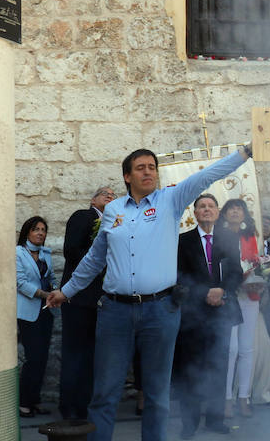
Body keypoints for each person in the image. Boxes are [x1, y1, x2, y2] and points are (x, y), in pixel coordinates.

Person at [46, 146, 250, 441]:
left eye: (152, 167)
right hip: (115, 312)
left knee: (156, 394)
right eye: (140, 167)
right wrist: (66, 291)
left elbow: (207, 176)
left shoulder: (171, 199)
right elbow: (95, 258)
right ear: (127, 176)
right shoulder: (114, 210)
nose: (148, 172)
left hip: (160, 310)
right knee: (105, 392)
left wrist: (245, 153)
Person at [176, 193, 242, 438]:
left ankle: (215, 420)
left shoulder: (228, 237)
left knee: (219, 366)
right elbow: (179, 276)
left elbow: (235, 271)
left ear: (217, 212)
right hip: (193, 316)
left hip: (221, 313)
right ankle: (189, 424)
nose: (206, 209)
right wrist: (206, 292)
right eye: (201, 206)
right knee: (191, 370)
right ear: (195, 213)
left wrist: (222, 289)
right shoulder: (183, 241)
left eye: (210, 206)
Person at [59, 187, 115, 420]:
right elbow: (71, 251)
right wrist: (100, 258)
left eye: (114, 195)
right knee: (75, 353)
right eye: (105, 194)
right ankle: (70, 407)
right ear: (93, 199)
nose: (110, 197)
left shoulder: (116, 223)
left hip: (101, 300)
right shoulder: (84, 216)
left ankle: (85, 404)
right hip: (80, 297)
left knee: (93, 355)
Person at [221, 198, 264, 417]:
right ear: (225, 214)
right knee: (231, 349)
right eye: (231, 208)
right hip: (229, 295)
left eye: (239, 208)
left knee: (247, 349)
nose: (236, 211)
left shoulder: (251, 236)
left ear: (245, 213)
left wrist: (263, 275)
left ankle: (243, 398)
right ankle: (226, 399)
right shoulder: (218, 236)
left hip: (249, 294)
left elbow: (259, 264)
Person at [16, 216, 55, 418]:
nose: (40, 233)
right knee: (33, 358)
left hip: (46, 310)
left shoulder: (45, 253)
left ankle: (35, 400)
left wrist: (56, 292)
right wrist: (44, 294)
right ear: (27, 232)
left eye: (43, 229)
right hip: (27, 312)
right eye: (36, 229)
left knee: (42, 358)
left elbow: (52, 279)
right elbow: (20, 282)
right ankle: (24, 402)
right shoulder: (18, 253)